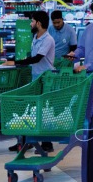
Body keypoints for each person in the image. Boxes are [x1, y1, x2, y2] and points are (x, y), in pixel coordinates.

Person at [4, 10, 56, 152]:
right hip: (36, 78)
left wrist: (15, 62)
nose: (31, 24)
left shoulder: (48, 39)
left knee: (44, 111)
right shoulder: (35, 37)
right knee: (31, 110)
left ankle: (46, 143)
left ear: (38, 23)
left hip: (46, 80)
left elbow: (37, 58)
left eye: (32, 21)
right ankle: (26, 141)